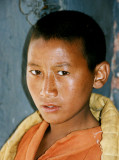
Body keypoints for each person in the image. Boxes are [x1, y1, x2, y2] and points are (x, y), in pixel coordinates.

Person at [0, 10, 119, 160]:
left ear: (99, 75)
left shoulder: (100, 153)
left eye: (62, 73)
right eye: (36, 72)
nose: (46, 91)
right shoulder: (26, 137)